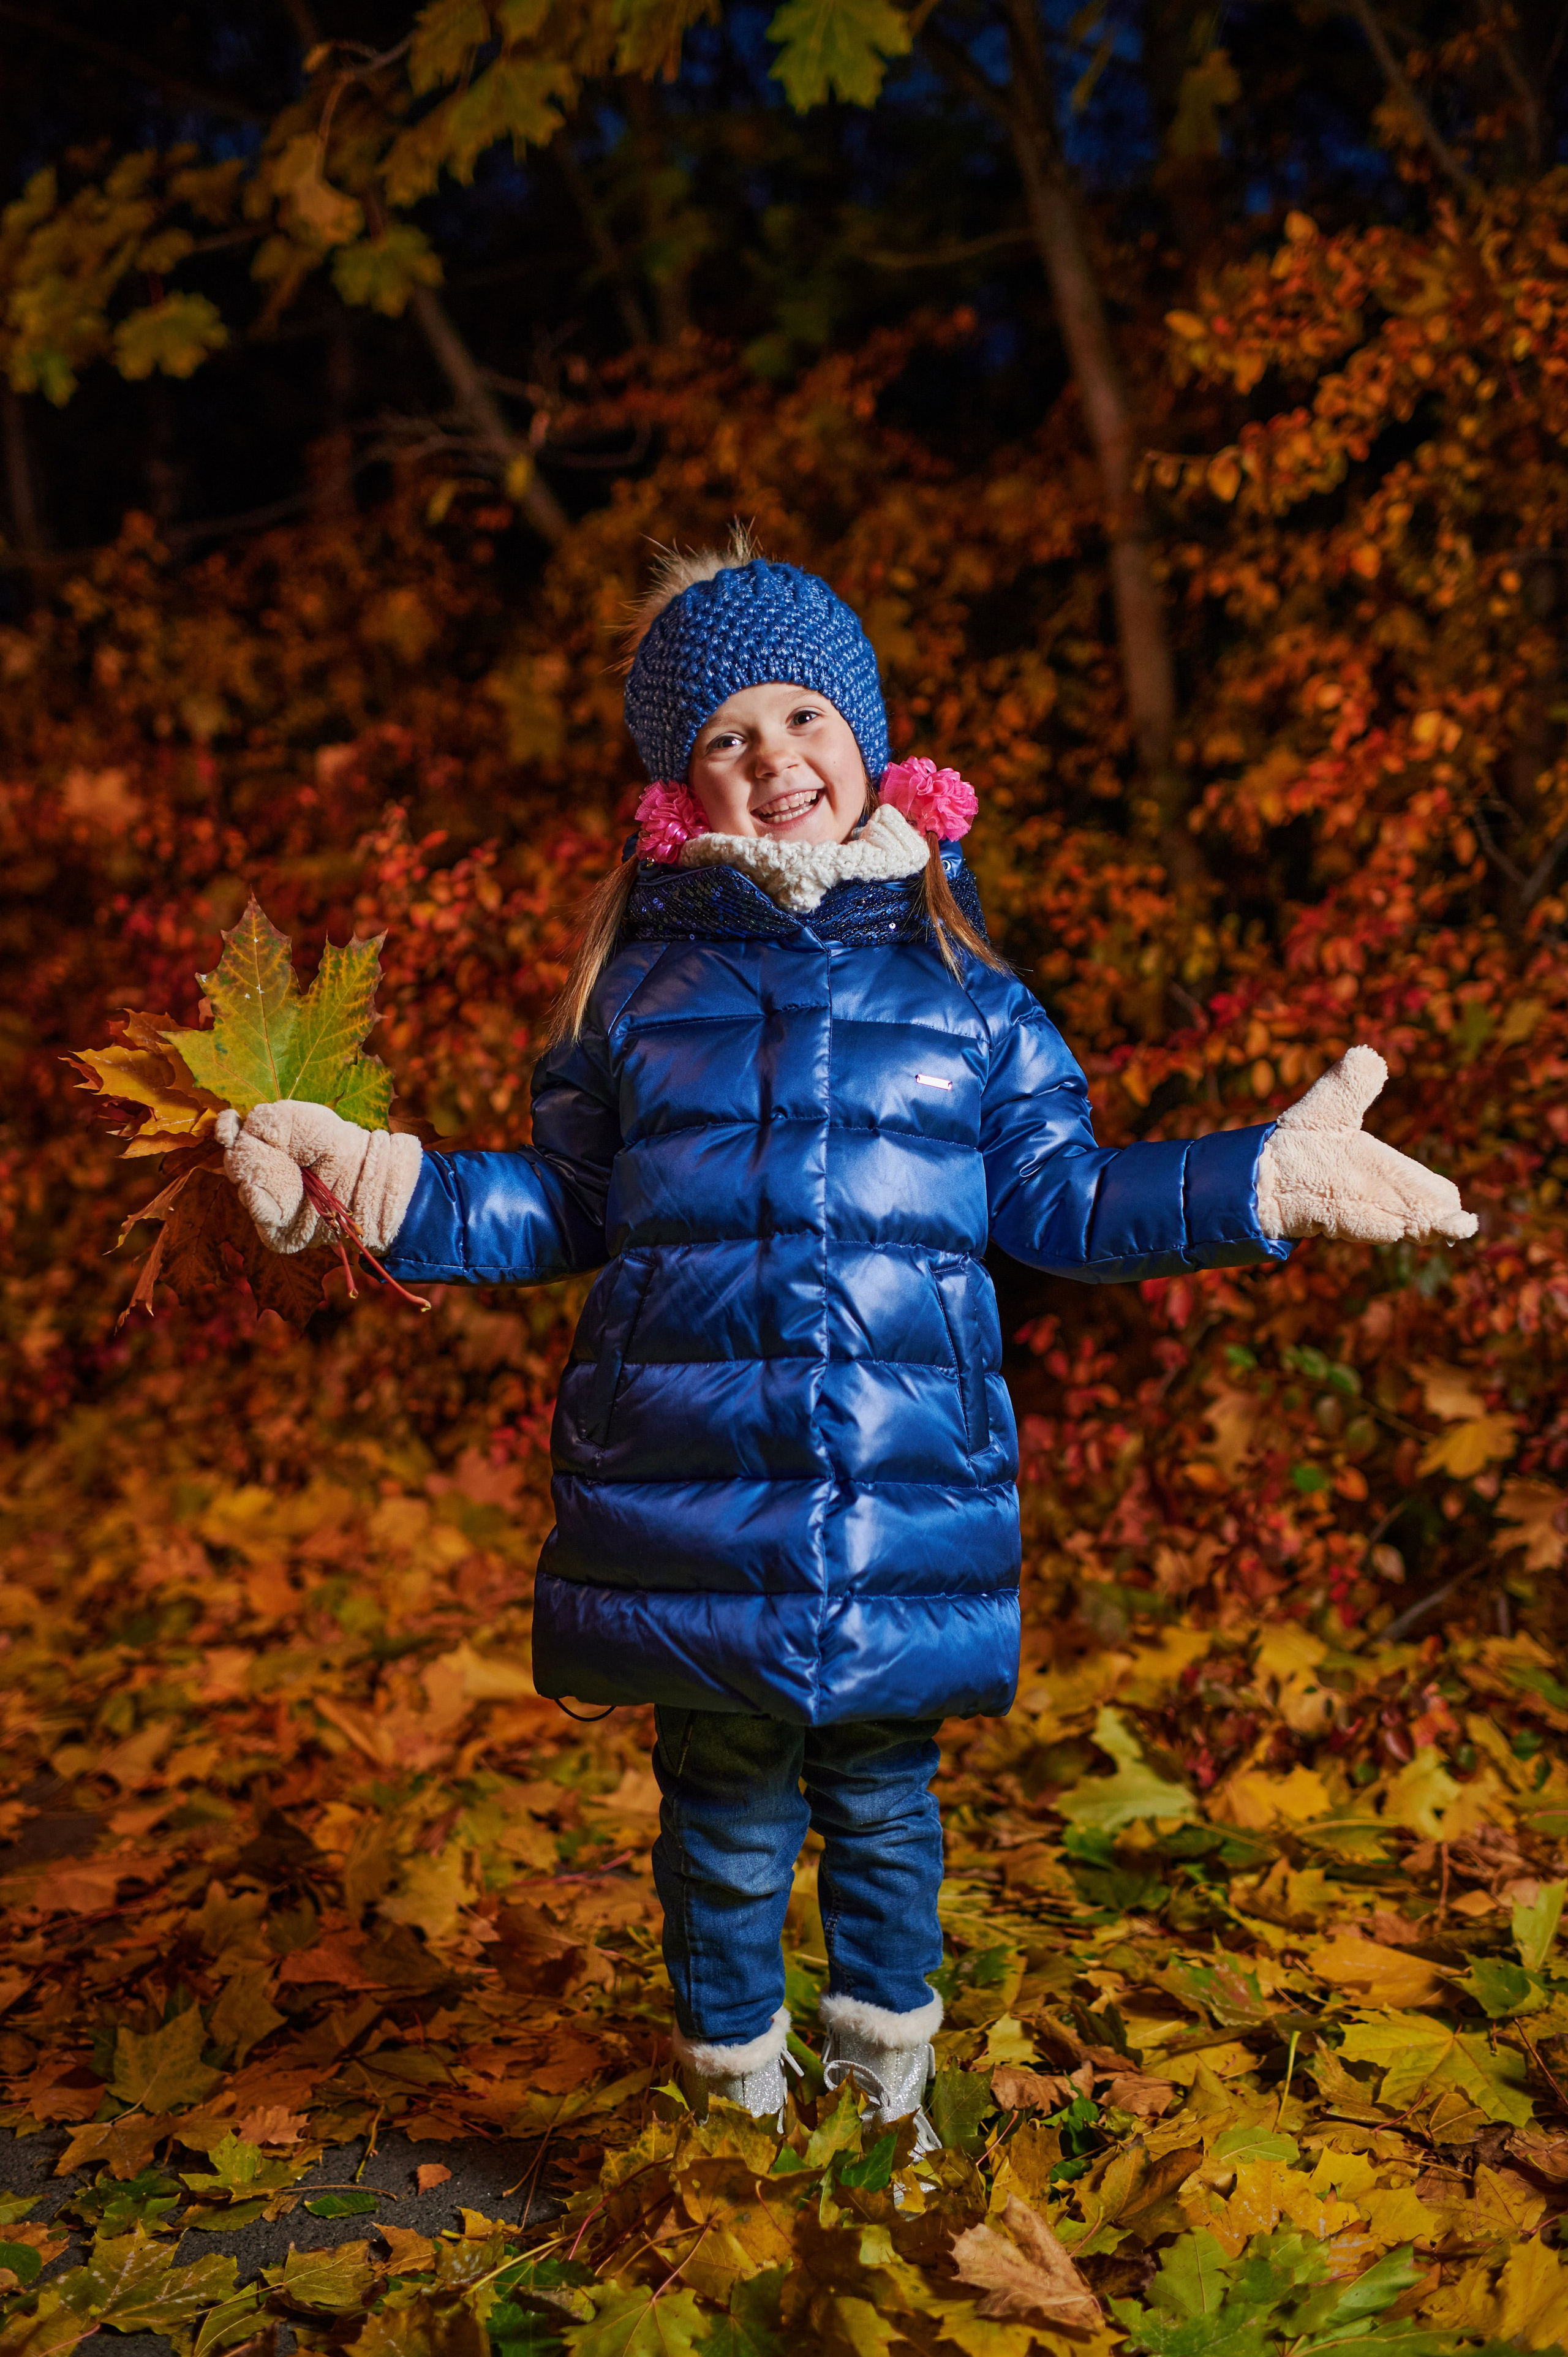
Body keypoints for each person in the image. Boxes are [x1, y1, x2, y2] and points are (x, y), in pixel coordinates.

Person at [217, 530, 1476, 2146]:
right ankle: (732, 2109)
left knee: (886, 1811)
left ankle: (887, 2111)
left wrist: (1264, 1173)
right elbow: (560, 1203)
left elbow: (1066, 1204)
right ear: (683, 786)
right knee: (727, 1822)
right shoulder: (636, 991)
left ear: (869, 742)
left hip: (902, 1495)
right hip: (694, 1499)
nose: (772, 758)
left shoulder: (967, 990)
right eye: (725, 736)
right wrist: (380, 1188)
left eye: (803, 717)